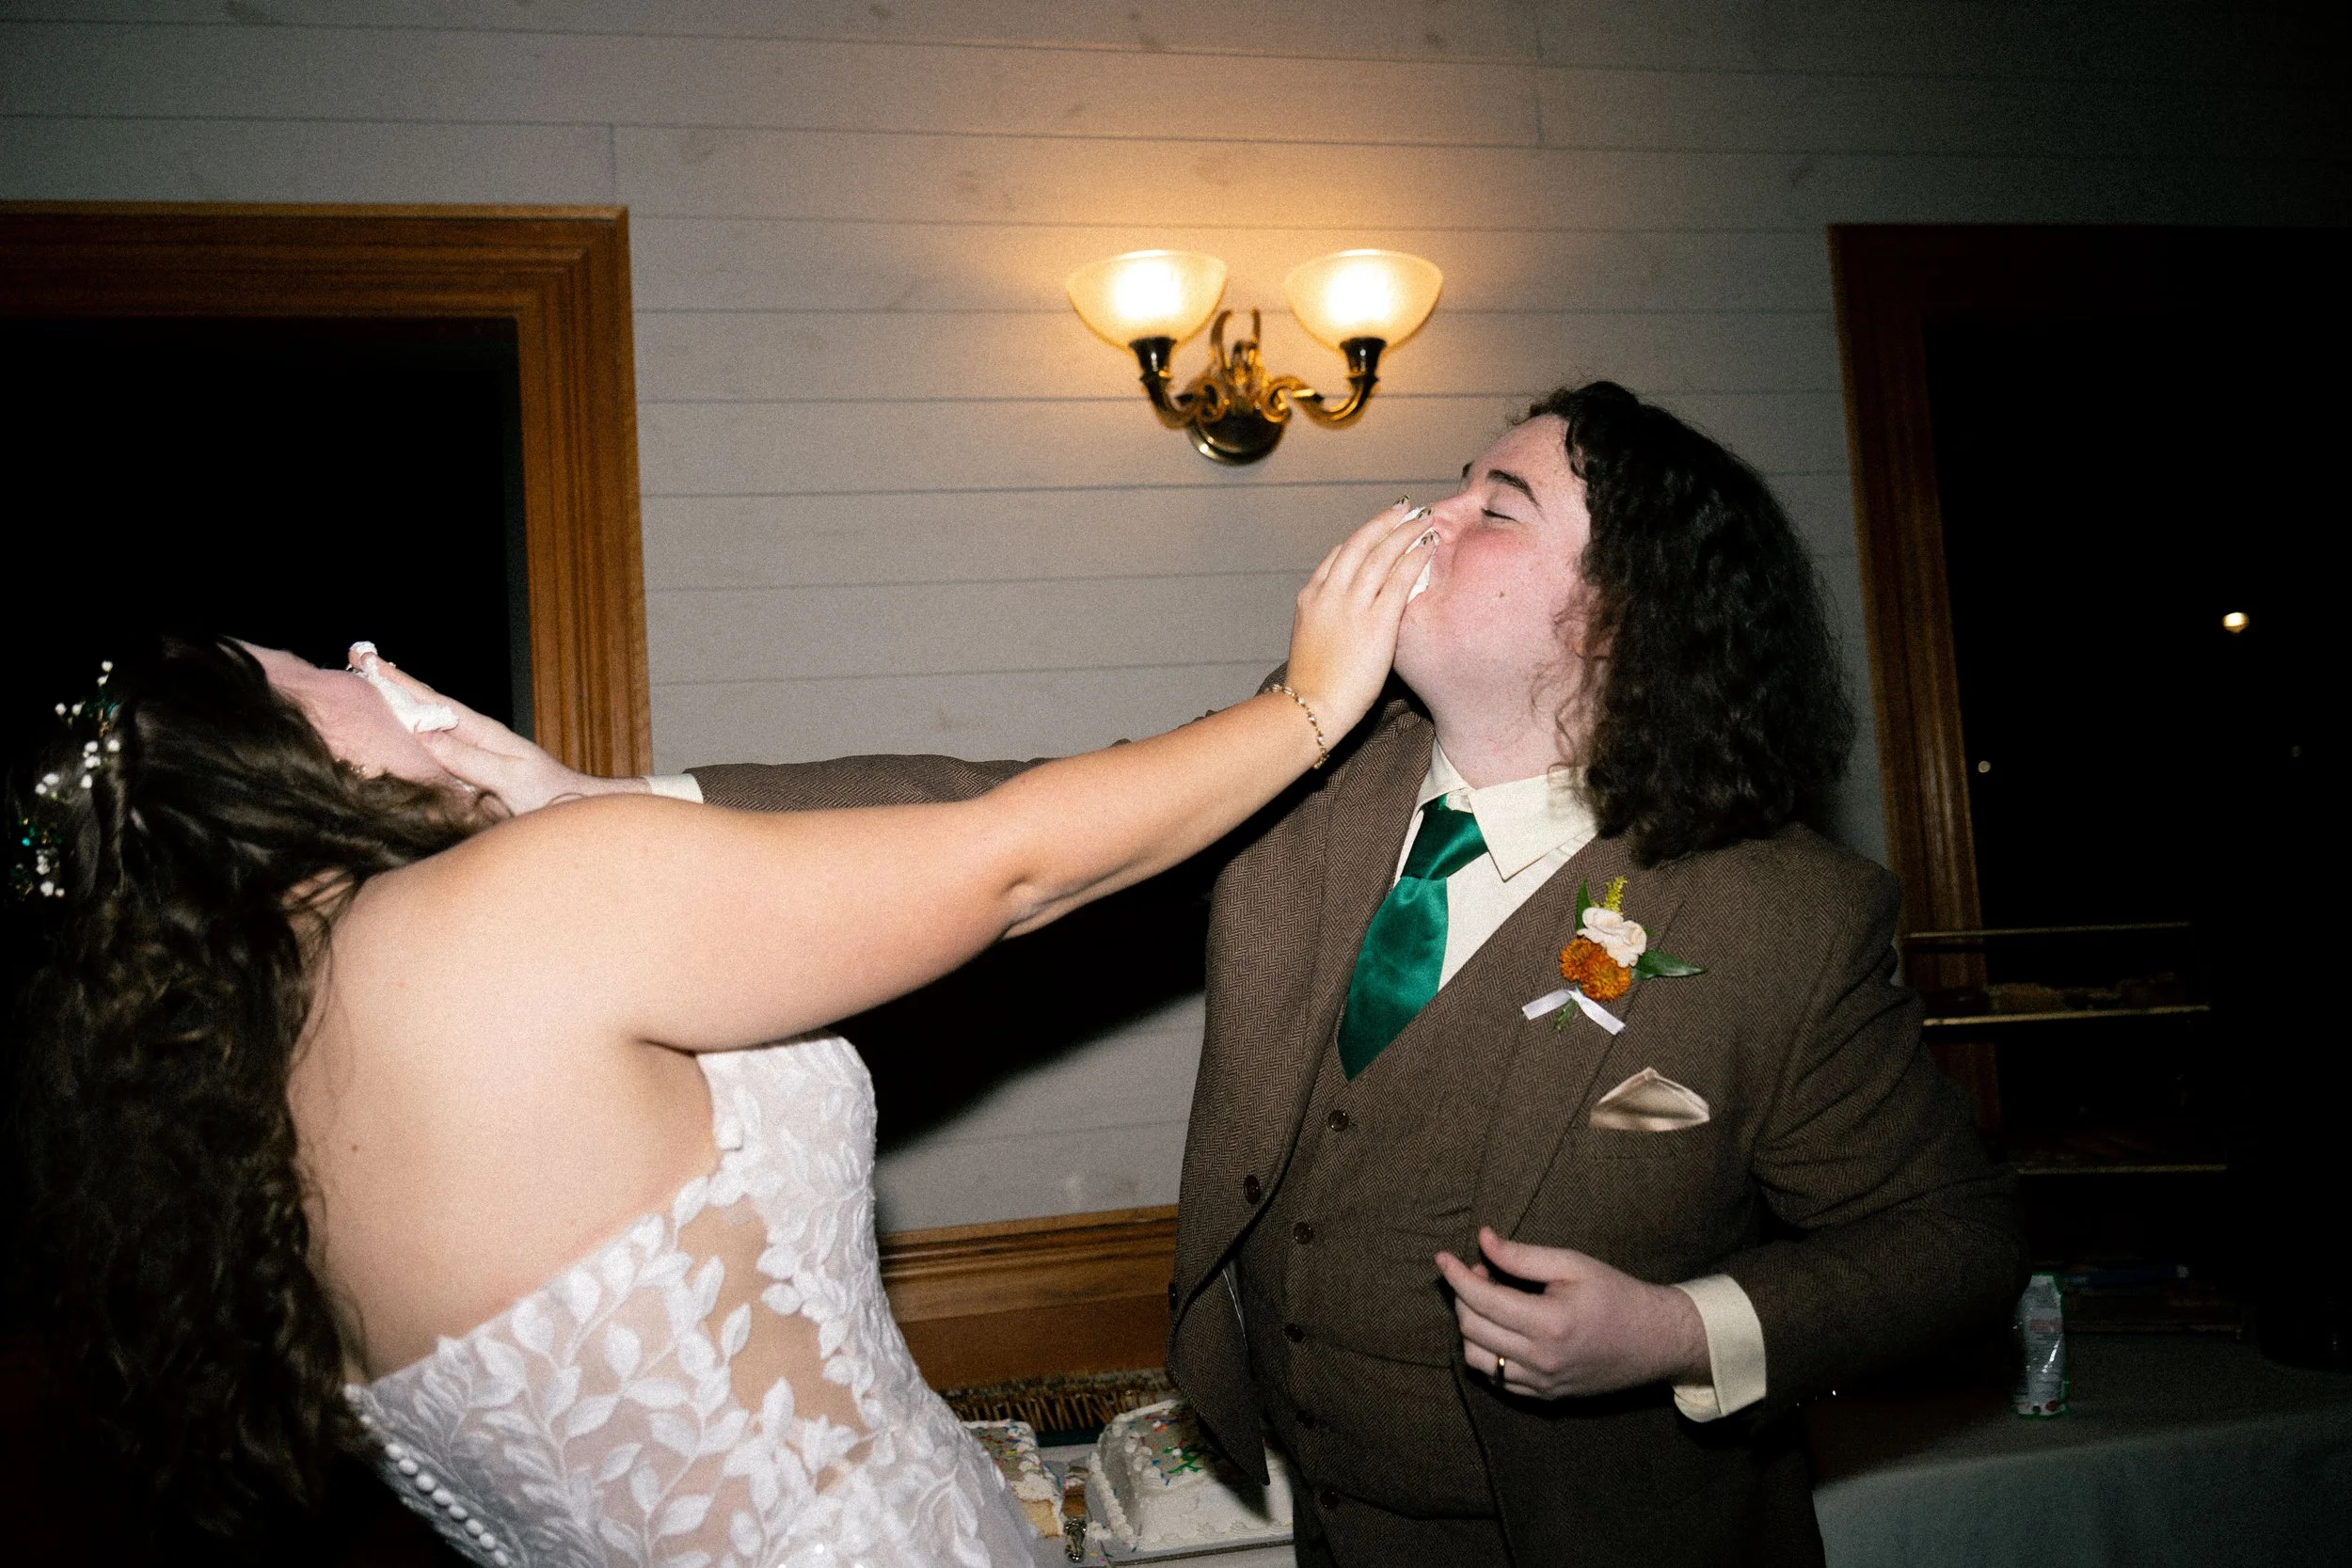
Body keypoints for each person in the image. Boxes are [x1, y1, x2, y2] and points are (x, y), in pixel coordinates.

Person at [411, 383, 2027, 1567]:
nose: (1422, 522)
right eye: (1449, 483)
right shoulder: (1318, 764)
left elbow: (1953, 1246)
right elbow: (994, 802)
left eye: (1494, 505)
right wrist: (616, 804)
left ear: (1620, 620)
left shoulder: (1785, 920)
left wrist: (1684, 1327)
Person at [2, 507, 1432, 1565]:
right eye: (310, 669)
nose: (362, 674)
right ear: (266, 762)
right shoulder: (501, 912)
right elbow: (1009, 865)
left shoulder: (241, 1094)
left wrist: (556, 804)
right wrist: (1309, 703)